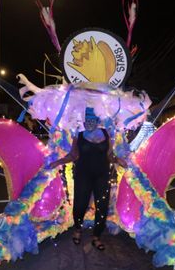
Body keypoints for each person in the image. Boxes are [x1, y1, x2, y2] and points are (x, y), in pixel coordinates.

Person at [47, 107, 126, 251]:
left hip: (102, 175)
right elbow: (72, 155)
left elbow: (110, 155)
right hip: (83, 175)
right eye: (86, 120)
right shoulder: (80, 135)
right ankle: (78, 229)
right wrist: (58, 162)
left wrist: (118, 159)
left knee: (102, 205)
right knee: (80, 204)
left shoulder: (105, 134)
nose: (89, 122)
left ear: (97, 120)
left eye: (91, 120)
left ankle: (97, 236)